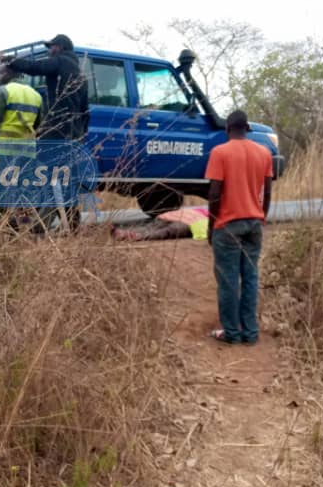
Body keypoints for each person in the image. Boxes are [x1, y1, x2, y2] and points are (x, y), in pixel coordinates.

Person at [205, 110, 273, 345]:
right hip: (254, 224)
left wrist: (211, 227)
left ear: (227, 129)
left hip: (228, 225)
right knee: (250, 277)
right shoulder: (264, 153)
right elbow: (268, 191)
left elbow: (214, 193)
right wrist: (261, 217)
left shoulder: (220, 153)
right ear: (247, 130)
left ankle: (232, 333)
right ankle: (250, 332)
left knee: (228, 280)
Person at [0, 34, 88, 140]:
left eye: (51, 47)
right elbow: (85, 111)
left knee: (50, 160)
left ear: (59, 47)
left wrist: (6, 58)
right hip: (74, 135)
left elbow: (34, 67)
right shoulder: (82, 75)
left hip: (56, 131)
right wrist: (81, 137)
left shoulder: (60, 61)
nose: (49, 51)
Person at [112, 207, 208, 241]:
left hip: (183, 215)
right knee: (164, 230)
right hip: (192, 220)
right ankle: (136, 235)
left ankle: (124, 231)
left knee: (154, 226)